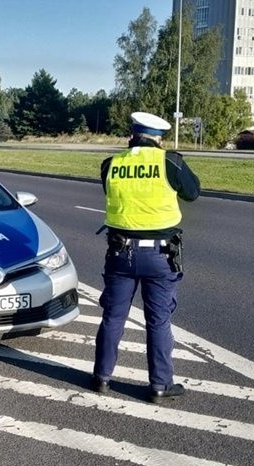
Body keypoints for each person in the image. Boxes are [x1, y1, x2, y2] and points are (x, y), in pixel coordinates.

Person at [92, 111, 200, 403]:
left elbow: (112, 194)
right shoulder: (169, 162)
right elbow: (192, 192)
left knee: (113, 317)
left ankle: (101, 378)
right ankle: (160, 386)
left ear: (133, 134)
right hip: (159, 254)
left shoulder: (111, 164)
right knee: (158, 321)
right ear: (158, 138)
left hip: (119, 253)